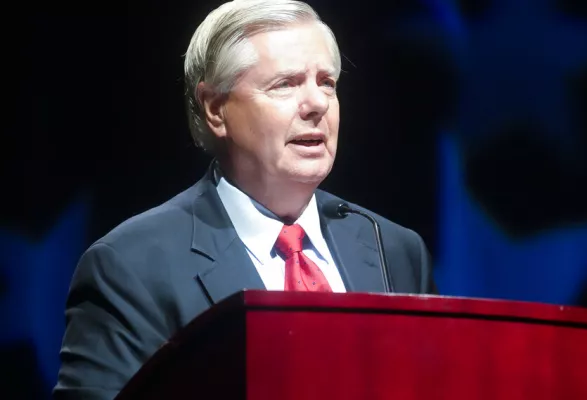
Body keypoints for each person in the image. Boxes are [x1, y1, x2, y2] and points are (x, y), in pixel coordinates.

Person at [53, 1, 436, 398]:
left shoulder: (394, 250)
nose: (317, 104)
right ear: (216, 110)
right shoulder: (130, 267)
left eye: (326, 82)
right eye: (286, 83)